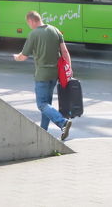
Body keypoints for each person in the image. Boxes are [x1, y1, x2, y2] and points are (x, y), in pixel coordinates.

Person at [13, 10, 73, 140]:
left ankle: (63, 122)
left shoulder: (34, 34)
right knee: (47, 105)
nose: (29, 25)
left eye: (28, 23)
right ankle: (43, 133)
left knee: (41, 105)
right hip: (54, 74)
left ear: (31, 20)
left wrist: (15, 57)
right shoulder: (55, 30)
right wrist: (69, 68)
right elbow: (65, 52)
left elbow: (23, 57)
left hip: (42, 75)